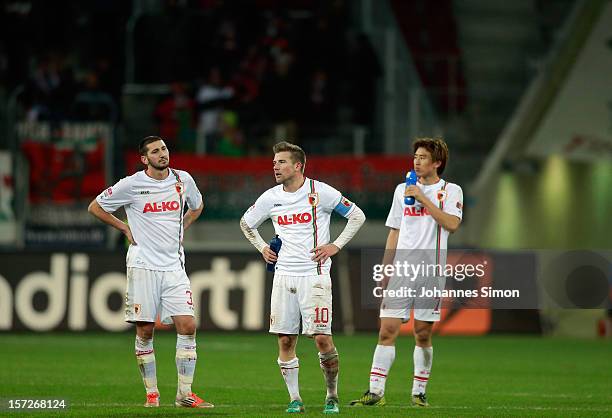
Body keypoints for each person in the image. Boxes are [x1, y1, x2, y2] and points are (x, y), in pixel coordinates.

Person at [240, 141, 366, 414]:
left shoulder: (320, 192)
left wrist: (336, 245)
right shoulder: (270, 197)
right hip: (284, 276)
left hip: (315, 274)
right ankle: (295, 399)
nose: (276, 166)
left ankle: (332, 394)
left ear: (298, 165)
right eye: (274, 162)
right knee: (285, 339)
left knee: (322, 338)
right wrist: (262, 247)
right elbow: (246, 223)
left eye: (282, 162)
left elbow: (357, 215)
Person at [87, 136, 213, 409]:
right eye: (155, 151)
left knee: (188, 325)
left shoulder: (183, 180)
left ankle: (184, 394)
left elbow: (197, 206)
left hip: (174, 266)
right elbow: (95, 207)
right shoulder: (131, 184)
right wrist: (123, 227)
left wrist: (183, 227)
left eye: (165, 148)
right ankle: (152, 395)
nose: (162, 154)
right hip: (143, 264)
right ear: (144, 159)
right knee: (145, 330)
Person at [350, 137, 463, 407]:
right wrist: (386, 268)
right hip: (402, 269)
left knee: (422, 333)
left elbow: (452, 224)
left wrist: (423, 198)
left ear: (437, 163)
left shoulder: (451, 191)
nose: (417, 161)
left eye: (423, 157)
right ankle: (375, 392)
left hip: (431, 270)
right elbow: (395, 231)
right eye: (415, 156)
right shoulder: (402, 190)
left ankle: (418, 391)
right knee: (387, 330)